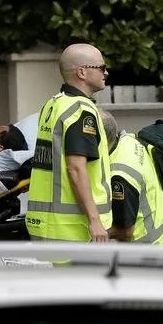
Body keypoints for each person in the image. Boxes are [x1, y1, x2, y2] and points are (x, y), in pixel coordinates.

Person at [26, 43, 112, 243]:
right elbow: (75, 168)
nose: (105, 72)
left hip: (49, 222)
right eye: (101, 67)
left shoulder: (53, 105)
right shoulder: (80, 111)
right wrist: (95, 221)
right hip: (74, 228)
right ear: (82, 72)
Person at [99, 108, 163, 245]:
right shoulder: (128, 141)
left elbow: (125, 231)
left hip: (150, 252)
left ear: (101, 140)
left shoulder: (120, 176)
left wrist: (92, 234)